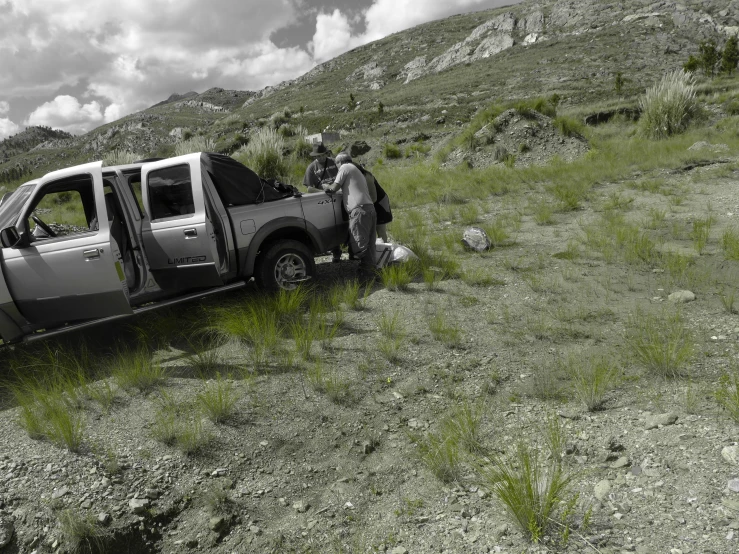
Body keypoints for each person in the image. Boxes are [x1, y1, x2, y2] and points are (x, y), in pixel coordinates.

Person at [322, 153, 377, 279]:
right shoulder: (356, 170)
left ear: (339, 163)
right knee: (370, 245)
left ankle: (365, 275)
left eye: (336, 166)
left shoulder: (345, 167)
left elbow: (333, 188)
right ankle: (371, 273)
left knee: (359, 244)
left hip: (359, 211)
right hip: (370, 209)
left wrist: (326, 187)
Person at [303, 142, 342, 262]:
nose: (319, 158)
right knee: (329, 225)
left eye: (321, 155)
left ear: (326, 153)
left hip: (340, 198)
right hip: (324, 201)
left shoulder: (335, 162)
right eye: (316, 156)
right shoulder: (311, 168)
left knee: (344, 223)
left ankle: (351, 249)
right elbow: (309, 188)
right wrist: (323, 191)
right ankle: (335, 251)